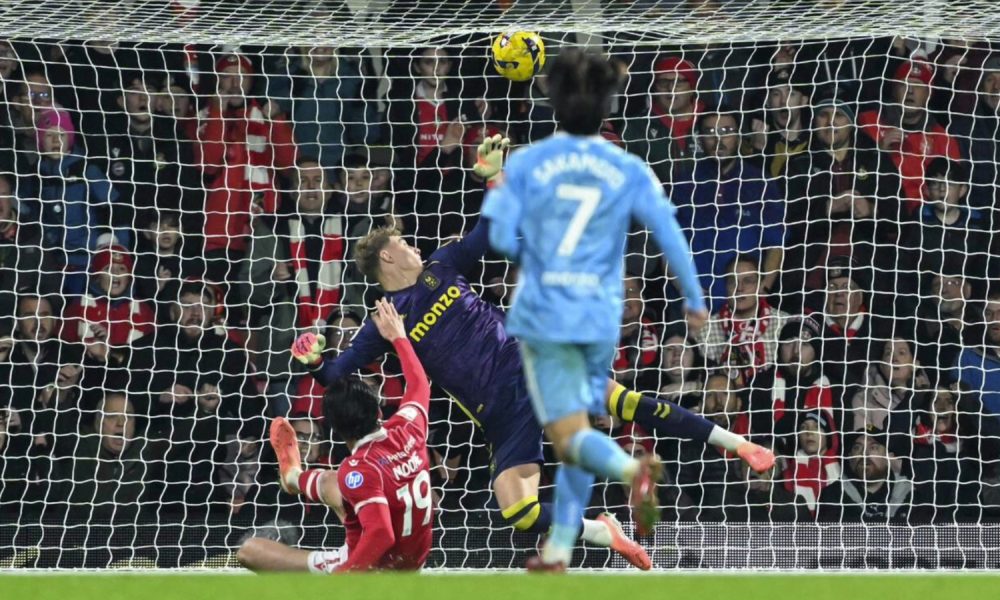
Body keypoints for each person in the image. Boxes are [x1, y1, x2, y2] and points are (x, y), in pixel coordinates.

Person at [294, 133, 772, 570]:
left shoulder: (443, 264)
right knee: (517, 509)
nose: (414, 247)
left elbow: (488, 230)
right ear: (388, 257)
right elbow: (337, 371)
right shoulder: (384, 320)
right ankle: (604, 531)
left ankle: (738, 444)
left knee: (622, 400)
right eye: (404, 243)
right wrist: (313, 358)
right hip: (497, 411)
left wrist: (494, 177)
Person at [481, 48, 770, 570]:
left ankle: (626, 473)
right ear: (608, 105)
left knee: (569, 435)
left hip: (548, 314)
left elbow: (500, 235)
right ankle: (562, 549)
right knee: (577, 430)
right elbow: (670, 234)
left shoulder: (530, 162)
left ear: (552, 99)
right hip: (600, 315)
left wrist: (499, 185)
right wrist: (696, 301)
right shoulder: (626, 165)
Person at [238, 299, 432, 572]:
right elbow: (419, 383)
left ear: (335, 430)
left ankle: (292, 480)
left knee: (250, 551)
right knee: (333, 481)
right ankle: (293, 477)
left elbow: (381, 534)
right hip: (414, 555)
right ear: (378, 410)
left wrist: (345, 580)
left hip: (377, 570)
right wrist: (398, 336)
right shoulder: (408, 428)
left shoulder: (359, 468)